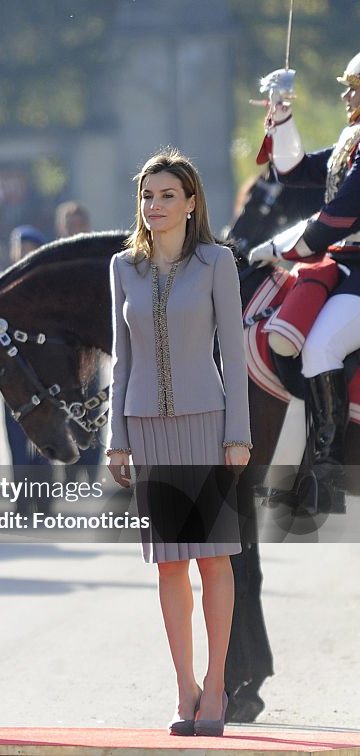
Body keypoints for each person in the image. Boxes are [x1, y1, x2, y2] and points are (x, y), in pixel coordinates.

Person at [106, 148, 251, 738]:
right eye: (147, 196)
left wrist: (238, 434)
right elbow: (122, 359)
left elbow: (234, 356)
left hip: (207, 423)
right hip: (148, 429)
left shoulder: (217, 262)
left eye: (168, 195)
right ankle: (183, 687)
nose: (155, 206)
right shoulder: (123, 268)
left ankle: (215, 685)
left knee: (213, 557)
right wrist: (116, 440)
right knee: (170, 566)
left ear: (191, 204)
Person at [249, 57, 360, 505]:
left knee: (321, 346)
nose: (346, 96)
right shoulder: (352, 140)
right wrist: (282, 113)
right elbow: (296, 171)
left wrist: (281, 248)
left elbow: (340, 216)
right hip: (346, 265)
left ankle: (327, 476)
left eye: (355, 88)